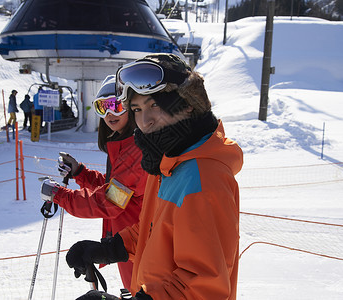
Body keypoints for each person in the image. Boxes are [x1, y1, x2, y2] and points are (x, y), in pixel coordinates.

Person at [51, 54, 244, 300]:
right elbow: (154, 229)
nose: (145, 120)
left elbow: (204, 283)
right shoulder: (166, 161)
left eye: (155, 105)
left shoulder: (202, 178)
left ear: (186, 103)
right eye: (136, 109)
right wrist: (111, 249)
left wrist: (61, 195)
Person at [40, 75, 147, 290]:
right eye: (102, 107)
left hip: (140, 242)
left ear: (130, 107)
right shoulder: (123, 145)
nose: (109, 114)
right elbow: (116, 188)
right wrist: (80, 173)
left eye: (116, 105)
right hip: (129, 241)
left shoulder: (136, 150)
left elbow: (111, 200)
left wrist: (60, 195)